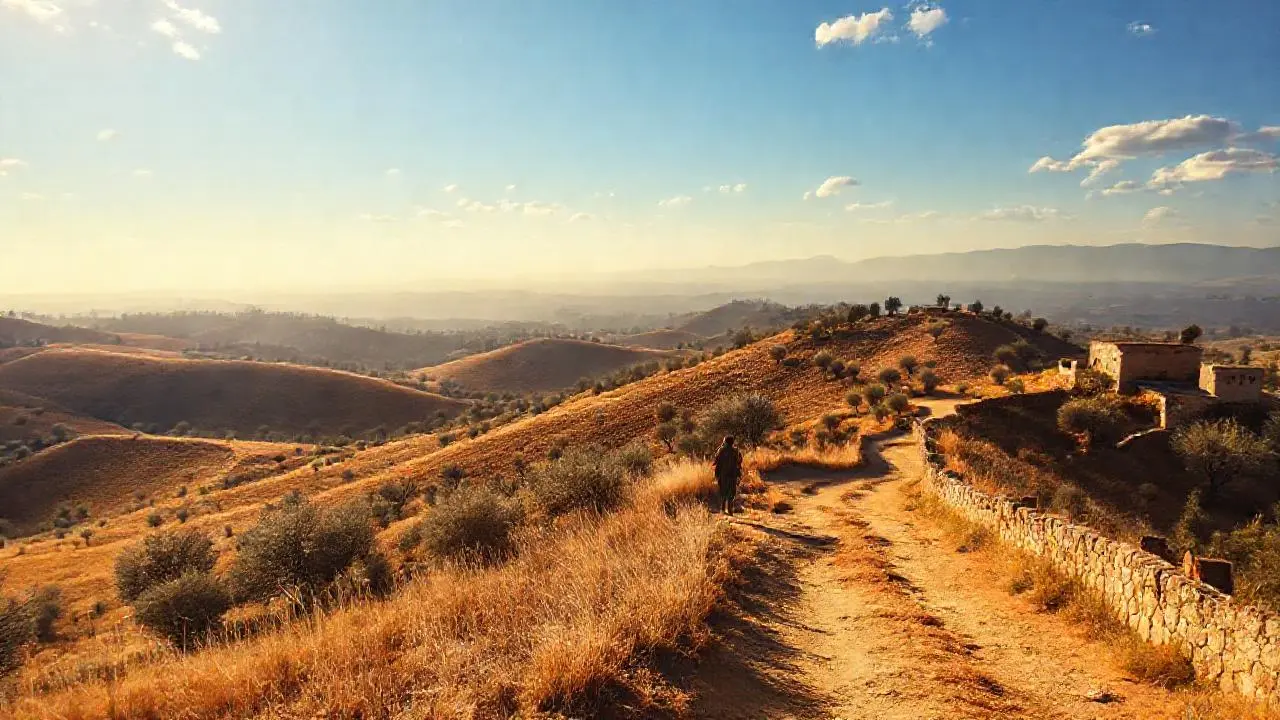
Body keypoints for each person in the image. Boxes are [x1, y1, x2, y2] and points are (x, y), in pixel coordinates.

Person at [713, 435, 743, 516]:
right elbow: (739, 462)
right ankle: (730, 510)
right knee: (732, 492)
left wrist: (716, 474)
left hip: (723, 474)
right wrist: (739, 474)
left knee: (723, 491)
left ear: (725, 442)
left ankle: (722, 510)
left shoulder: (721, 450)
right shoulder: (736, 451)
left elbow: (716, 461)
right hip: (733, 474)